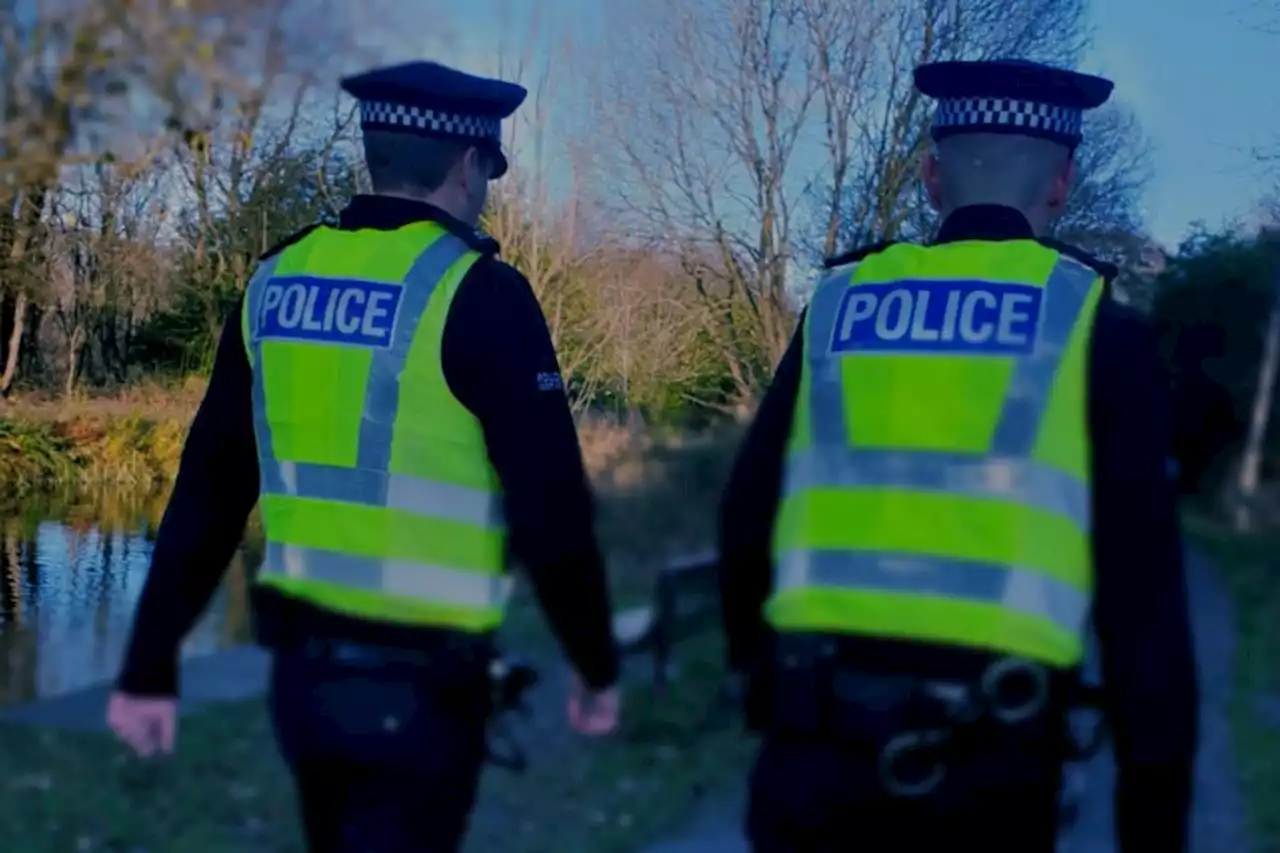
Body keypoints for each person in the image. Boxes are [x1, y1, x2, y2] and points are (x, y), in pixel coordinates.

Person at [106, 60, 622, 853]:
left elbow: (208, 494)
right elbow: (550, 509)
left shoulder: (275, 281)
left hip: (304, 687)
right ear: (468, 162)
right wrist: (594, 662)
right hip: (424, 690)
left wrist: (149, 664)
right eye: (488, 168)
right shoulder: (481, 293)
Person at [717, 59, 1198, 853]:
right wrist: (1153, 823)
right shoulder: (1096, 331)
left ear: (932, 176)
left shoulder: (838, 306)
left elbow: (746, 514)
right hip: (990, 775)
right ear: (1062, 183)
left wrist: (761, 684)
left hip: (813, 757)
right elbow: (1146, 618)